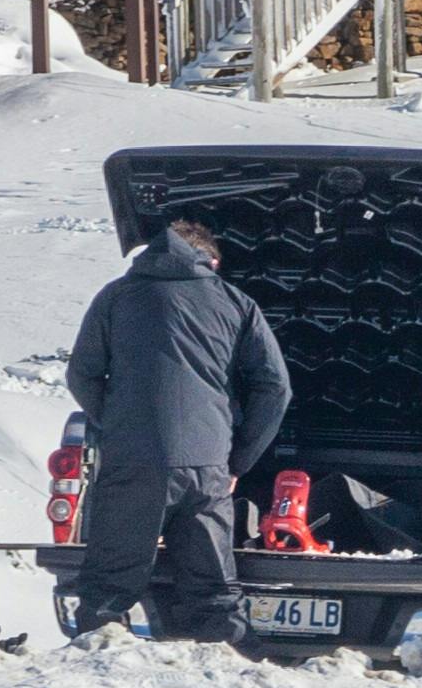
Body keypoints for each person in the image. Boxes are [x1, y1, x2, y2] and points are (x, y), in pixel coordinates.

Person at [64, 214, 292, 643]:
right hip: (207, 466)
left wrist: (118, 424)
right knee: (213, 591)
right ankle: (226, 674)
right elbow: (275, 387)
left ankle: (98, 671)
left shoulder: (115, 297)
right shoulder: (234, 301)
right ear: (211, 261)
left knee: (108, 589)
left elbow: (82, 375)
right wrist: (239, 457)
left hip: (134, 462)